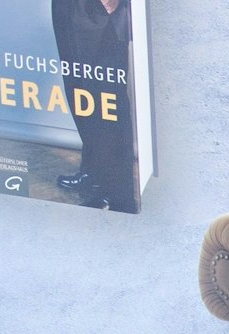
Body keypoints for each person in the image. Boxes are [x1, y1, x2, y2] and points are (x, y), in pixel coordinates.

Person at [50, 0, 138, 212]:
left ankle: (118, 195)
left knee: (106, 100)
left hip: (99, 11)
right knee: (79, 92)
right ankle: (95, 173)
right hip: (69, 8)